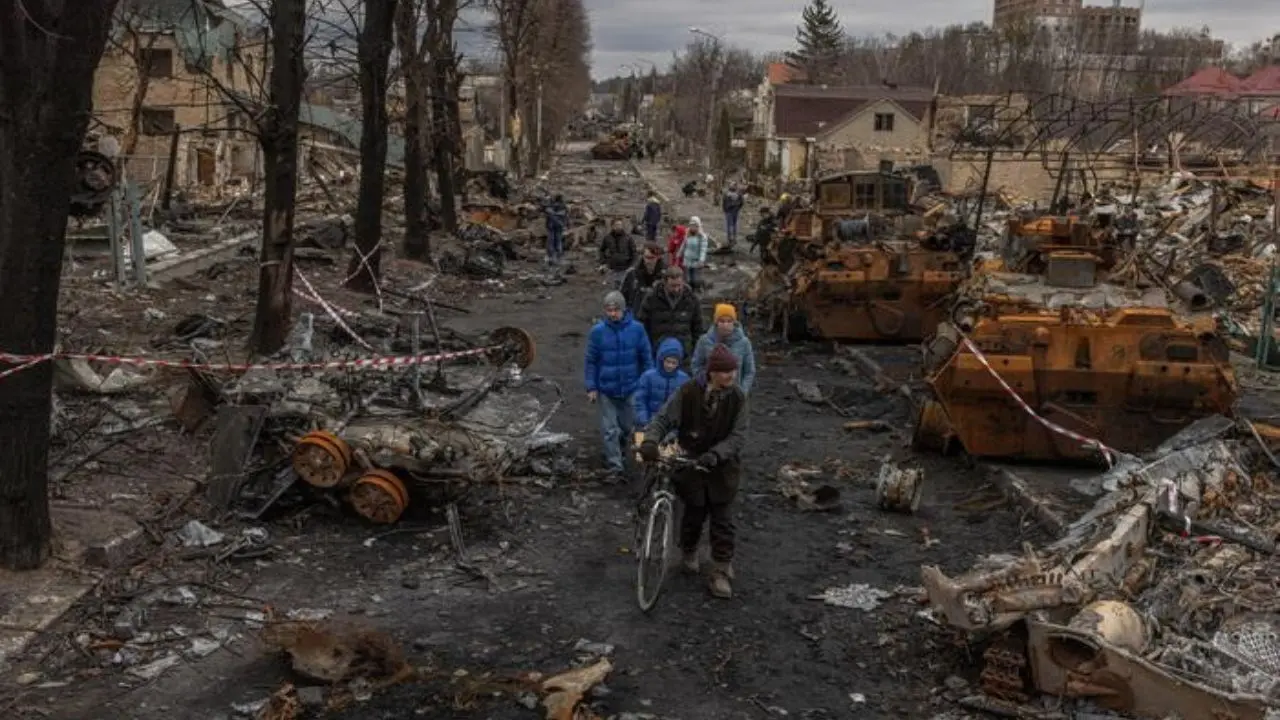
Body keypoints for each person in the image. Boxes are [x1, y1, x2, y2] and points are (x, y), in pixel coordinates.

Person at [639, 344, 748, 599]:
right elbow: (663, 418)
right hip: (691, 465)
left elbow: (739, 435)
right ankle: (688, 551)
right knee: (693, 515)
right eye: (725, 371)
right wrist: (650, 441)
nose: (730, 376)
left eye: (733, 370)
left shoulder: (738, 398)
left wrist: (717, 454)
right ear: (711, 372)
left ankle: (720, 570)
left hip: (722, 469)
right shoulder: (688, 392)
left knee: (723, 522)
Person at [584, 291, 653, 477]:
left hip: (631, 387)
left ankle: (621, 449)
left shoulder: (637, 330)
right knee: (610, 429)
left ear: (624, 310)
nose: (612, 314)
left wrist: (646, 383)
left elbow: (646, 358)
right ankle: (615, 465)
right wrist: (591, 386)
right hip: (606, 389)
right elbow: (591, 360)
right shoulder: (597, 332)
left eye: (616, 310)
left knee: (628, 427)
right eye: (609, 310)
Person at [636, 266, 704, 359]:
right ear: (665, 283)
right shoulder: (651, 298)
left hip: (684, 354)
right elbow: (642, 324)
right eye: (672, 286)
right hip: (658, 351)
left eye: (679, 285)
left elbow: (698, 327)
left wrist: (694, 351)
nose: (676, 289)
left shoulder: (691, 299)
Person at [692, 304, 756, 394]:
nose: (725, 325)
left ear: (734, 323)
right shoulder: (704, 341)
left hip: (735, 394)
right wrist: (705, 384)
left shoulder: (744, 343)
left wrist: (742, 392)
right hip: (710, 392)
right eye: (722, 321)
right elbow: (696, 365)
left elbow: (749, 371)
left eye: (729, 321)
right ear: (716, 322)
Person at [633, 337, 690, 428]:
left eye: (674, 363)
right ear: (661, 359)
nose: (670, 366)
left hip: (673, 426)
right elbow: (640, 401)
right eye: (668, 362)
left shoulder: (684, 379)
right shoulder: (648, 377)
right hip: (650, 423)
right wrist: (644, 420)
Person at [619, 242, 666, 311]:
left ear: (658, 257)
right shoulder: (632, 273)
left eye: (652, 258)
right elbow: (623, 295)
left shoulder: (665, 275)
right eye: (646, 257)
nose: (648, 261)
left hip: (656, 315)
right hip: (636, 314)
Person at [598, 219, 637, 287]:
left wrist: (632, 265)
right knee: (612, 289)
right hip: (612, 268)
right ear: (612, 226)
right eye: (617, 225)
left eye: (620, 225)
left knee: (624, 287)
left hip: (625, 267)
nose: (619, 227)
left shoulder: (628, 238)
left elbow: (634, 252)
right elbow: (601, 250)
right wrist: (603, 262)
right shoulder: (607, 238)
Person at [682, 217, 709, 290]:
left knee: (695, 278)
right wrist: (679, 254)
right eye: (691, 225)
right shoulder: (687, 234)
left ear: (698, 226)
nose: (692, 227)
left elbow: (703, 249)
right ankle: (688, 290)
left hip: (696, 261)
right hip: (687, 259)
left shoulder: (702, 237)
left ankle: (696, 288)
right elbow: (684, 244)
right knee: (687, 278)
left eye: (694, 226)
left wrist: (701, 260)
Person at [544, 194, 569, 266]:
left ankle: (552, 257)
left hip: (553, 226)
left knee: (552, 241)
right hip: (556, 226)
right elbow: (564, 216)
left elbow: (548, 213)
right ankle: (556, 257)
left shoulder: (551, 207)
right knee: (556, 241)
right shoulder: (562, 206)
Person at [721, 183, 745, 249]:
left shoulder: (726, 194)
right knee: (734, 225)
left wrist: (725, 209)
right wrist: (738, 208)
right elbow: (742, 202)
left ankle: (730, 239)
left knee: (729, 225)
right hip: (735, 211)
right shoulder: (738, 194)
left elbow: (724, 202)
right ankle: (734, 238)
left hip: (729, 211)